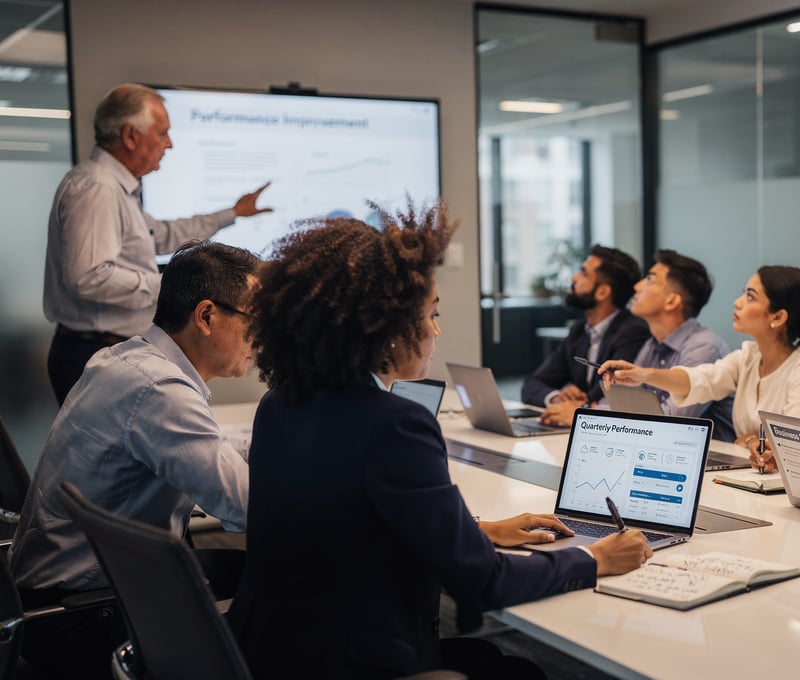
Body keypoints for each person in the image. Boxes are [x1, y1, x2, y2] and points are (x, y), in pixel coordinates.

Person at [227, 203, 651, 679]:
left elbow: (348, 521)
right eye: (430, 315)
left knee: (494, 661)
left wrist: (478, 530)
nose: (436, 330)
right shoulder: (394, 424)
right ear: (386, 330)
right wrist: (594, 558)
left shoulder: (280, 405)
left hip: (269, 653)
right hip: (356, 662)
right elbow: (485, 584)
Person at [10, 241, 258, 679]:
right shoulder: (161, 391)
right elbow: (248, 506)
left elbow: (207, 448)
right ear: (206, 316)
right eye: (255, 320)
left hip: (54, 592)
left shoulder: (124, 359)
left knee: (247, 573)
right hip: (82, 615)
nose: (261, 338)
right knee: (277, 589)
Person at [44, 82, 272, 404]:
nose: (170, 144)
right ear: (131, 136)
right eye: (162, 133)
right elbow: (89, 278)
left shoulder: (116, 189)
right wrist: (173, 286)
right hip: (91, 350)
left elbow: (161, 236)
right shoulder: (98, 189)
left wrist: (232, 213)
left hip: (100, 346)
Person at [602, 265, 800, 466]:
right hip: (751, 477)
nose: (737, 303)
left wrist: (750, 441)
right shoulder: (748, 356)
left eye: (750, 296)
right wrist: (643, 375)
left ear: (777, 317)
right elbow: (700, 380)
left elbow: (793, 447)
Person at [540, 249, 735, 439]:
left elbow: (671, 421)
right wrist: (585, 412)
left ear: (671, 301)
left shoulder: (704, 347)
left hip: (706, 461)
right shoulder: (652, 344)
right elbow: (624, 403)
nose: (637, 287)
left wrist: (582, 413)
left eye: (649, 279)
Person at [520, 244, 649, 413]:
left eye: (584, 273)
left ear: (602, 292)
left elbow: (611, 393)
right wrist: (557, 397)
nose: (574, 277)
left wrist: (578, 406)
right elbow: (532, 384)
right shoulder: (579, 331)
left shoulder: (633, 332)